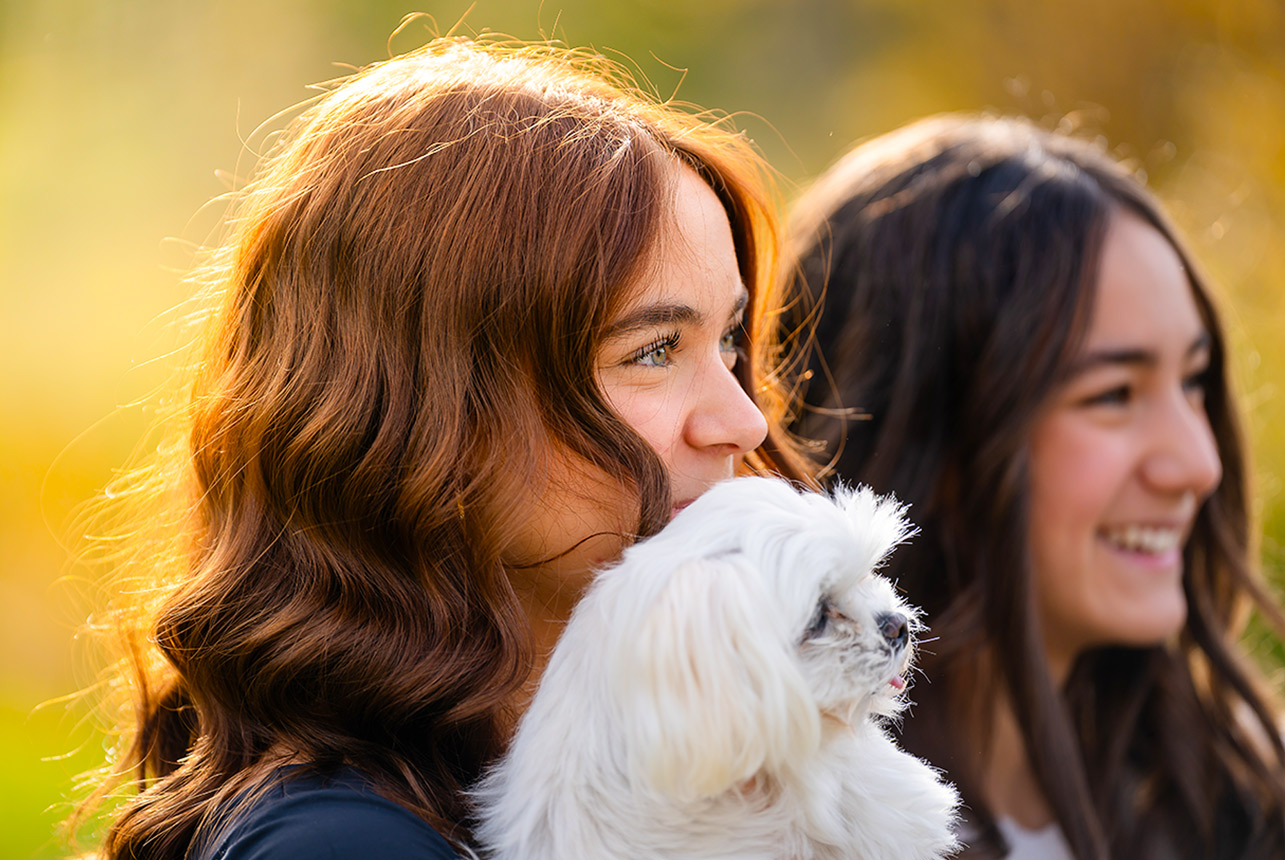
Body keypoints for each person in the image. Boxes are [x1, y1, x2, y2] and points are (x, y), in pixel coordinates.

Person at [73, 36, 816, 860]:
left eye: (732, 343)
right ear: (433, 406)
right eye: (652, 350)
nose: (743, 421)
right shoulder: (343, 844)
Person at [785, 114, 1285, 859]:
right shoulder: (772, 831)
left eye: (1193, 381)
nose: (1197, 463)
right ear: (934, 432)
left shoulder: (1242, 792)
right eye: (1112, 393)